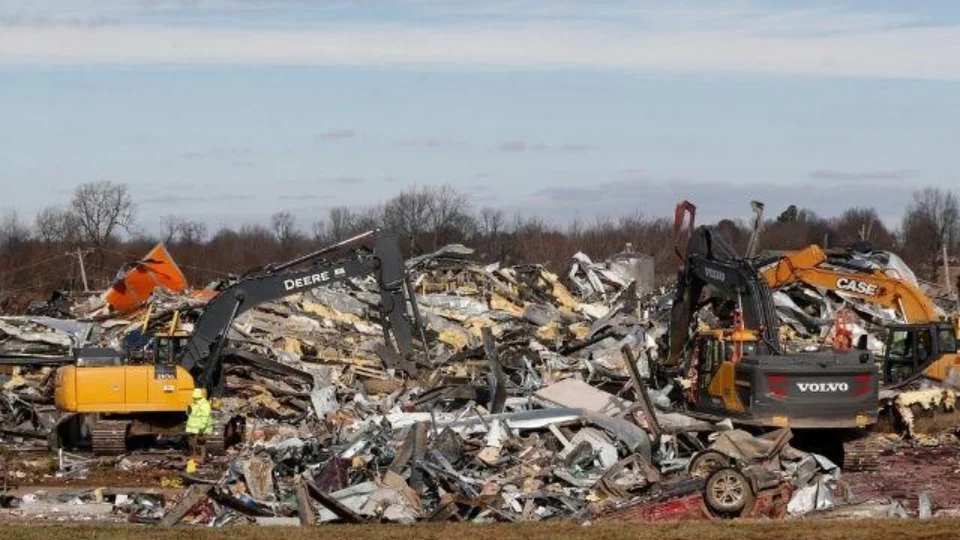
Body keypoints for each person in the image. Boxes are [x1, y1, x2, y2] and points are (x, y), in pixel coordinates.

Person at [185, 388, 213, 462]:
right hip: (194, 428)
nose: (194, 399)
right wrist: (188, 410)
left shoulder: (204, 404)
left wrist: (202, 427)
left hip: (200, 428)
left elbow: (205, 416)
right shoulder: (194, 404)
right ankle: (195, 456)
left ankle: (202, 457)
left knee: (200, 443)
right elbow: (191, 415)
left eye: (196, 398)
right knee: (193, 443)